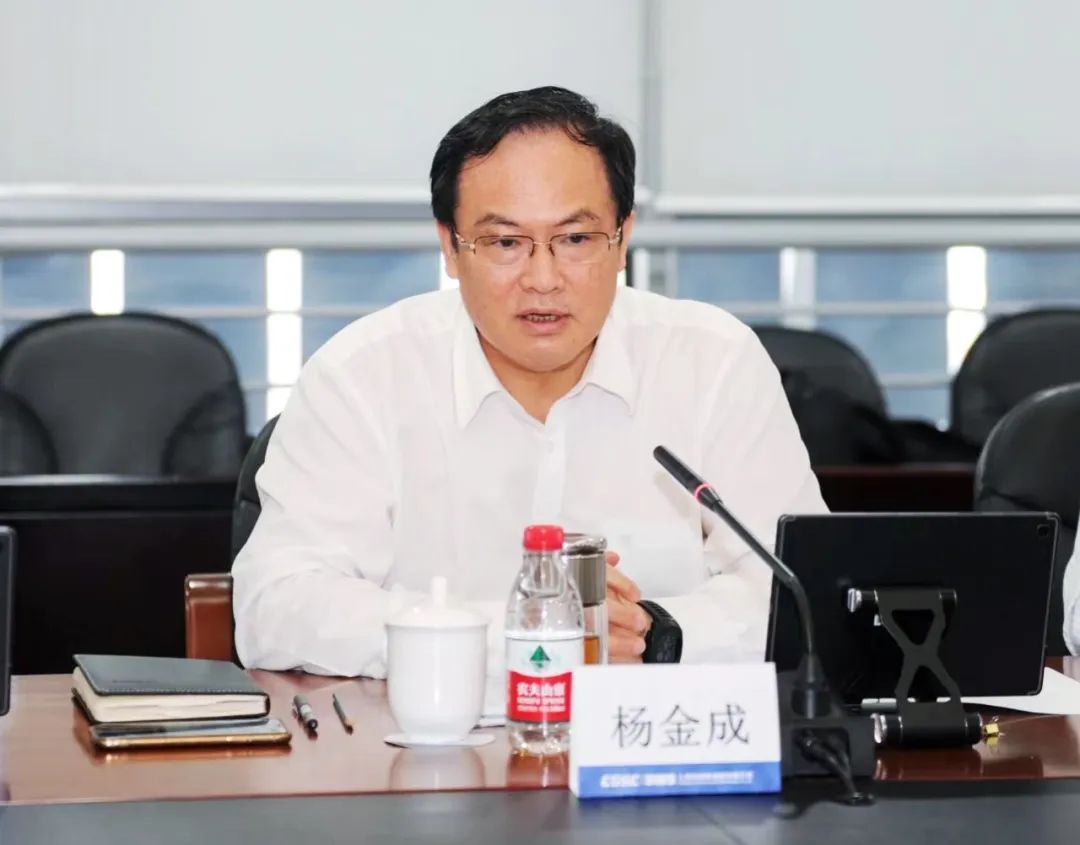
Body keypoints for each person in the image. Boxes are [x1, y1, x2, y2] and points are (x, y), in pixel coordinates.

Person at [232, 86, 827, 678]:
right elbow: (277, 607)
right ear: (450, 247)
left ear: (623, 239)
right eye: (505, 242)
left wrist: (657, 632)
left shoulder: (714, 362)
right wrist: (536, 636)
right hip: (425, 735)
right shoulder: (360, 377)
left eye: (575, 239)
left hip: (657, 733)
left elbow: (804, 593)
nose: (543, 278)